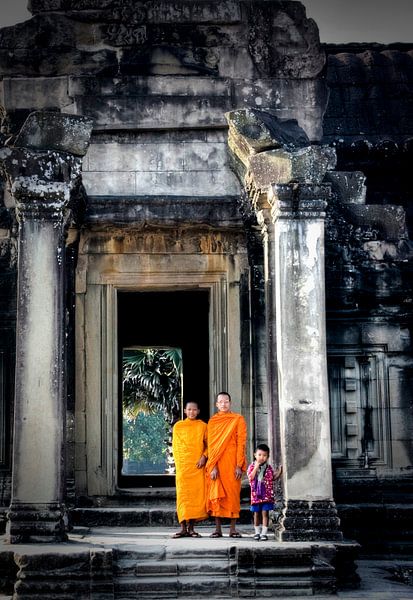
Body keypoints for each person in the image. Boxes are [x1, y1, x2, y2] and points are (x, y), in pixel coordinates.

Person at [206, 391, 247, 538]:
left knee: (233, 495)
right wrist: (213, 466)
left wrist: (238, 465)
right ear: (216, 404)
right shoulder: (212, 421)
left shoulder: (238, 419)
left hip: (232, 462)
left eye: (226, 401)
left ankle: (233, 529)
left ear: (230, 403)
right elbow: (211, 446)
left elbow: (241, 443)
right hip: (217, 464)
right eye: (221, 402)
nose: (223, 404)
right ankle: (218, 529)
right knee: (217, 495)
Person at [171, 400, 208, 538]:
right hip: (183, 467)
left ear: (198, 411)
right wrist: (178, 465)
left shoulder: (203, 426)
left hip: (197, 467)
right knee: (183, 497)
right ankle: (182, 528)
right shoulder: (178, 426)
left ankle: (191, 528)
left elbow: (209, 445)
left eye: (194, 410)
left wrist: (204, 457)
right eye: (189, 410)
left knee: (195, 497)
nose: (191, 412)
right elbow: (175, 447)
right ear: (185, 411)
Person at [247, 443, 282, 541]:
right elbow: (251, 477)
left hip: (266, 495)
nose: (262, 457)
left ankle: (264, 533)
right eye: (259, 455)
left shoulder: (269, 468)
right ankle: (257, 532)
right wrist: (256, 467)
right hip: (256, 496)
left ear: (267, 457)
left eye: (264, 455)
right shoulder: (251, 466)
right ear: (255, 455)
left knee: (265, 513)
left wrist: (279, 472)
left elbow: (272, 478)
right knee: (256, 514)